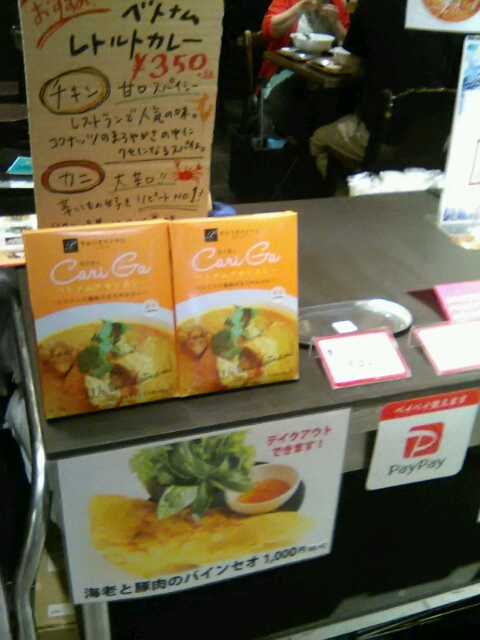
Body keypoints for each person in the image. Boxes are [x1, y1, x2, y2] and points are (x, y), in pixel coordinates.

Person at [309, 0, 463, 179]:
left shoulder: (373, 4)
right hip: (439, 141)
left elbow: (354, 65)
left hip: (383, 138)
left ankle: (348, 192)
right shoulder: (449, 10)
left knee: (318, 140)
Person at [257, 0, 351, 140]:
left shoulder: (337, 5)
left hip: (322, 78)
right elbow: (268, 31)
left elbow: (351, 46)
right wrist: (300, 8)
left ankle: (311, 144)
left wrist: (335, 23)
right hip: (283, 71)